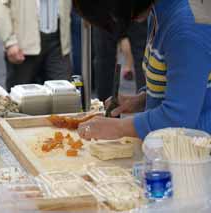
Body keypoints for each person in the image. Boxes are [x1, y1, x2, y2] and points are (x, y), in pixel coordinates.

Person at [74, 0, 211, 140]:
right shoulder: (158, 10)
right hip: (168, 150)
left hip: (197, 151)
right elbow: (183, 86)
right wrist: (142, 100)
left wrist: (118, 127)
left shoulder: (186, 27)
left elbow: (178, 118)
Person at [0, 0, 72, 91]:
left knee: (63, 94)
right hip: (23, 42)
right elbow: (1, 4)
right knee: (21, 97)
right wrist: (9, 41)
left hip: (59, 39)